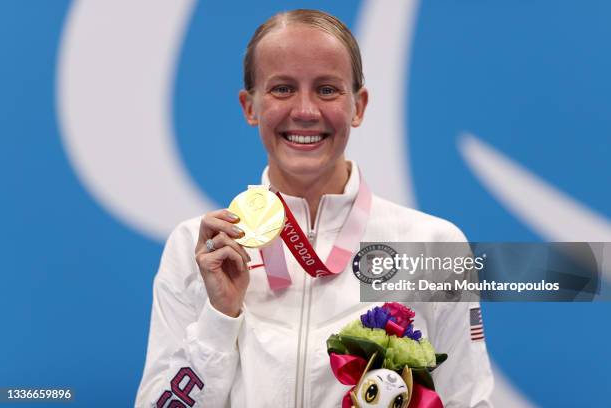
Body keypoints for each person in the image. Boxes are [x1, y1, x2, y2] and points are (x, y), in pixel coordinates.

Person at [135, 9, 494, 408]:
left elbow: (468, 401)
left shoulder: (433, 246)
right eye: (282, 89)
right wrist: (220, 317)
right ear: (249, 106)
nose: (305, 110)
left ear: (359, 106)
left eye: (327, 89)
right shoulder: (200, 249)